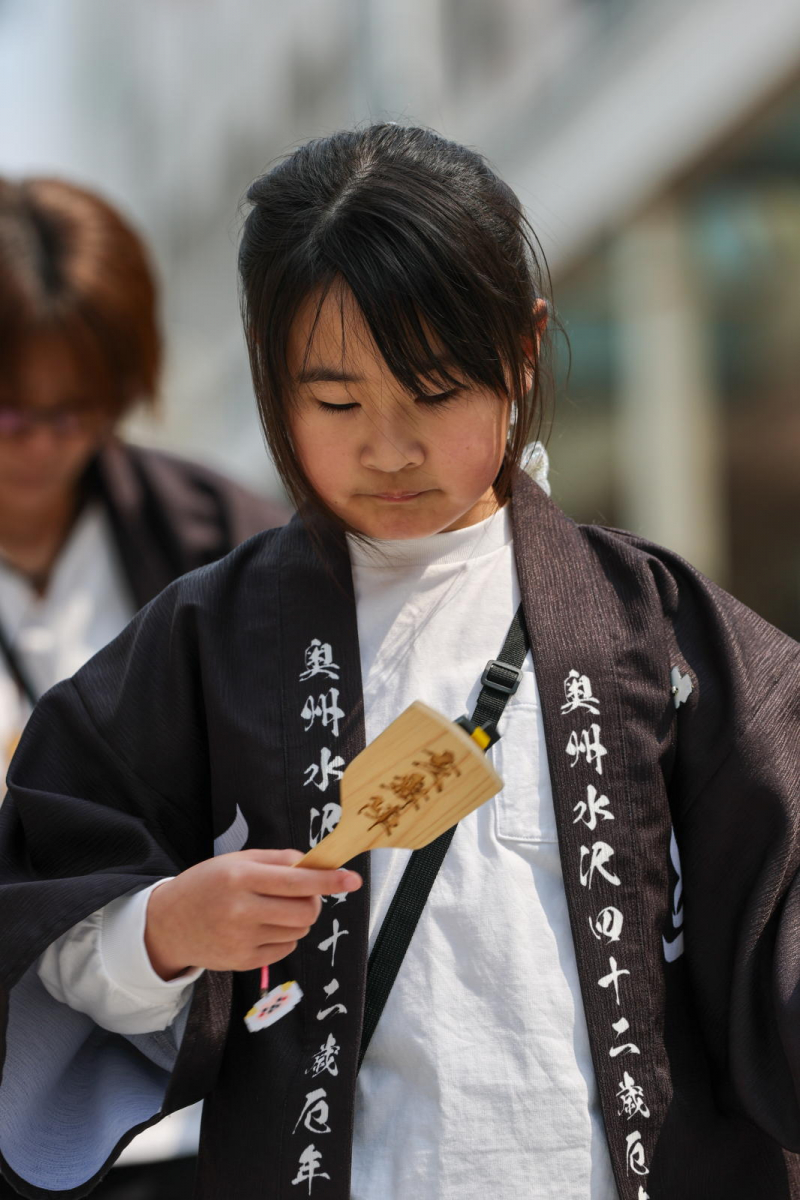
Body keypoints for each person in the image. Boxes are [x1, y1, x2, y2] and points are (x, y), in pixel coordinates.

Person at [0, 125, 798, 1200]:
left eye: (433, 391)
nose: (387, 448)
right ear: (269, 379)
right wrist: (163, 931)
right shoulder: (206, 639)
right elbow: (42, 908)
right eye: (334, 403)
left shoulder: (652, 629)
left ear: (522, 349)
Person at [0, 176, 288, 1198]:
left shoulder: (224, 537)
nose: (36, 443)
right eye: (7, 411)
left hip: (206, 1099)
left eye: (72, 409)